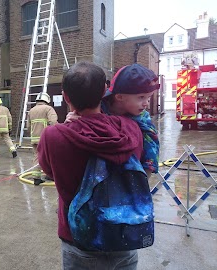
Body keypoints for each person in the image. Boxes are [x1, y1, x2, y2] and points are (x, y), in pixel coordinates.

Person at [38, 61, 144, 269]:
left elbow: (49, 171)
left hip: (79, 237)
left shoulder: (53, 136)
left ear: (66, 97)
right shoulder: (130, 129)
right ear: (105, 91)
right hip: (123, 233)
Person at [67, 63, 160, 176]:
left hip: (131, 176)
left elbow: (152, 147)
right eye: (141, 97)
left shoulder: (143, 119)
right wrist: (72, 119)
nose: (146, 103)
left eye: (148, 97)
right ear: (119, 97)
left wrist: (145, 175)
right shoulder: (96, 107)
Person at [27, 92, 57, 185]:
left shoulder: (31, 110)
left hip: (34, 138)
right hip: (45, 138)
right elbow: (53, 122)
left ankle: (36, 177)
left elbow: (28, 126)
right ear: (47, 100)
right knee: (51, 156)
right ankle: (51, 175)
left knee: (37, 156)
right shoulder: (48, 109)